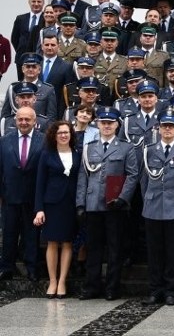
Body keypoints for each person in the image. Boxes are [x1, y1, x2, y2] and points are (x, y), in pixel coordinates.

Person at [76, 107, 139, 300]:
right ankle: (92, 285)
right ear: (98, 124)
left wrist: (122, 198)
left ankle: (112, 287)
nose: (106, 126)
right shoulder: (89, 147)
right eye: (103, 122)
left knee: (114, 249)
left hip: (115, 206)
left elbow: (132, 175)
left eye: (110, 123)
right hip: (93, 203)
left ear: (117, 125)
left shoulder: (126, 147)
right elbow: (83, 176)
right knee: (93, 248)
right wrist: (80, 203)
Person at [137, 109, 174, 306]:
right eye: (165, 126)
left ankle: (171, 290)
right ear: (159, 128)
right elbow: (143, 181)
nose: (168, 130)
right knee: (154, 252)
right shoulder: (149, 150)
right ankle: (155, 289)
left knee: (173, 251)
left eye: (172, 126)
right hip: (153, 206)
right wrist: (148, 200)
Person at [33, 121, 81, 298]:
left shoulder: (77, 154)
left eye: (66, 132)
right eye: (60, 132)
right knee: (52, 243)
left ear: (71, 135)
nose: (63, 135)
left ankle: (62, 282)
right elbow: (39, 184)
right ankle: (52, 281)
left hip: (70, 204)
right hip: (52, 204)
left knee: (67, 242)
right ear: (54, 135)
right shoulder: (46, 155)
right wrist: (39, 209)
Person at [0, 106, 45, 281]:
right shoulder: (4, 141)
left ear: (35, 121)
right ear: (15, 121)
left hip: (33, 196)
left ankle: (32, 268)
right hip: (9, 196)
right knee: (9, 233)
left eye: (27, 119)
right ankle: (6, 268)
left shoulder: (44, 141)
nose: (24, 122)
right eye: (20, 119)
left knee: (32, 234)